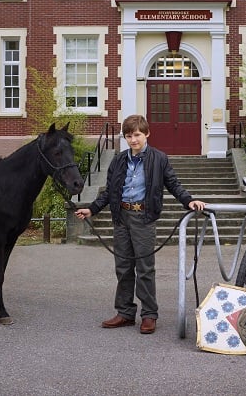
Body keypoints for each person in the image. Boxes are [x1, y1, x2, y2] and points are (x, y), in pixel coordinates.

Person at [75, 114, 205, 334]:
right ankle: (125, 313)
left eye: (136, 135)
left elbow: (173, 184)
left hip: (143, 219)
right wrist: (92, 209)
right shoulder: (118, 160)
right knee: (123, 268)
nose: (133, 140)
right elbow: (109, 191)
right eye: (128, 136)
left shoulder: (159, 159)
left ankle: (149, 315)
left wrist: (189, 200)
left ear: (146, 134)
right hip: (121, 218)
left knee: (145, 269)